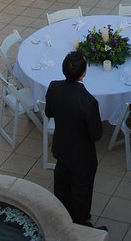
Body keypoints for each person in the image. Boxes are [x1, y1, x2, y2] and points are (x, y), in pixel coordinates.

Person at [44, 51, 105, 230]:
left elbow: (49, 113)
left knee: (62, 183)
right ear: (83, 73)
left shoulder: (54, 87)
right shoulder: (88, 102)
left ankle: (62, 217)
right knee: (82, 190)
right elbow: (96, 134)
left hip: (61, 146)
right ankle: (81, 225)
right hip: (82, 154)